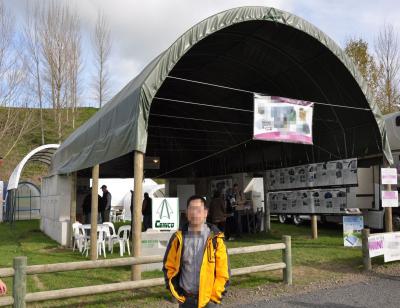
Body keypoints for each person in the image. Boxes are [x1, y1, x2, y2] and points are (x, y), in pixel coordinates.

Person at [163, 195, 230, 308]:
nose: (195, 213)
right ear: (186, 213)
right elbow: (168, 266)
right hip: (186, 300)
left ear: (205, 213)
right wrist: (177, 294)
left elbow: (223, 272)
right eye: (191, 209)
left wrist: (214, 298)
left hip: (209, 301)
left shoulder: (216, 239)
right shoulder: (178, 238)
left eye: (198, 210)